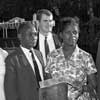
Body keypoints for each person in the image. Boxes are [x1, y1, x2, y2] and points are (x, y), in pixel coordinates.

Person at [45, 17, 97, 100]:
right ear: (61, 35)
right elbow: (47, 83)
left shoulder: (86, 57)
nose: (72, 35)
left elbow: (93, 84)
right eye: (68, 32)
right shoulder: (52, 56)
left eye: (75, 32)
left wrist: (83, 88)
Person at [4, 22, 50, 100]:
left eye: (35, 34)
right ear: (20, 36)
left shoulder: (39, 54)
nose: (34, 37)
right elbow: (10, 91)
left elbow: (44, 79)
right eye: (30, 34)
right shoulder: (12, 59)